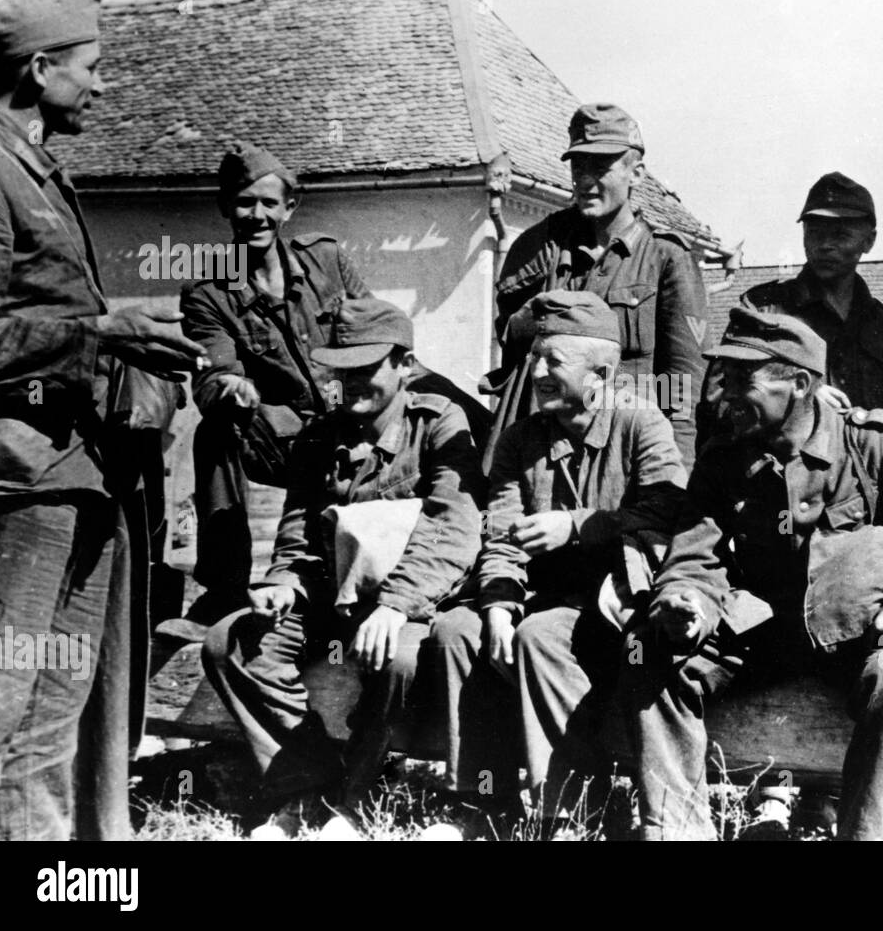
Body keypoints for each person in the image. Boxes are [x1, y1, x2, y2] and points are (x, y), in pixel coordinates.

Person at [621, 309, 883, 840]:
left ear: (799, 383)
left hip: (858, 629)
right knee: (651, 642)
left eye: (741, 379)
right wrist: (687, 601)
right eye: (722, 376)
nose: (724, 394)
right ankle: (678, 830)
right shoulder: (724, 457)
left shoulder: (874, 445)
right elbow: (695, 552)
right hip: (765, 632)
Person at [0, 0, 207, 841]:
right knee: (0, 699)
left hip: (75, 475)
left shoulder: (33, 165)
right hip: (17, 479)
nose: (102, 86)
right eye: (91, 68)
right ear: (40, 69)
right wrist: (100, 335)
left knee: (54, 710)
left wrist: (121, 340)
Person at [202, 298, 483, 836]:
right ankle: (305, 786)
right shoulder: (318, 436)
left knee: (399, 659)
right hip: (330, 601)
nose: (349, 383)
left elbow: (452, 528)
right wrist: (283, 582)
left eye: (366, 369)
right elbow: (298, 531)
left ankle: (354, 801)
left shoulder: (440, 425)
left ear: (405, 364)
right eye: (341, 370)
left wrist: (397, 606)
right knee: (228, 643)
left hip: (411, 604)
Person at [426, 290, 686, 834]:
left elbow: (668, 509)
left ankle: (572, 810)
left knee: (541, 635)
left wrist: (578, 525)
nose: (537, 372)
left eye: (553, 362)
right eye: (535, 359)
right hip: (533, 592)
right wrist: (497, 600)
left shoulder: (641, 424)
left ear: (600, 374)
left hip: (614, 604)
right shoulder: (523, 438)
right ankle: (482, 801)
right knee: (455, 629)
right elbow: (501, 528)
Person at [173, 142, 374, 640]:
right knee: (214, 430)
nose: (257, 215)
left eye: (268, 203)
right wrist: (230, 387)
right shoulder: (208, 294)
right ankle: (223, 587)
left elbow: (373, 332)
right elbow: (211, 374)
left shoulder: (326, 259)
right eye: (244, 202)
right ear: (225, 208)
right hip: (285, 441)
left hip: (354, 428)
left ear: (290, 207)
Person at [480, 103, 707, 472]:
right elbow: (512, 353)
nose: (585, 181)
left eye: (600, 168)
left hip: (625, 449)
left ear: (636, 174)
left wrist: (675, 467)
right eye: (578, 167)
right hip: (543, 447)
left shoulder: (665, 258)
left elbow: (680, 383)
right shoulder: (539, 248)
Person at [702, 172, 883, 452]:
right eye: (815, 233)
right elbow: (716, 402)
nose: (825, 245)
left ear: (869, 241)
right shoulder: (761, 310)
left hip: (863, 485)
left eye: (841, 235)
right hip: (780, 479)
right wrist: (798, 400)